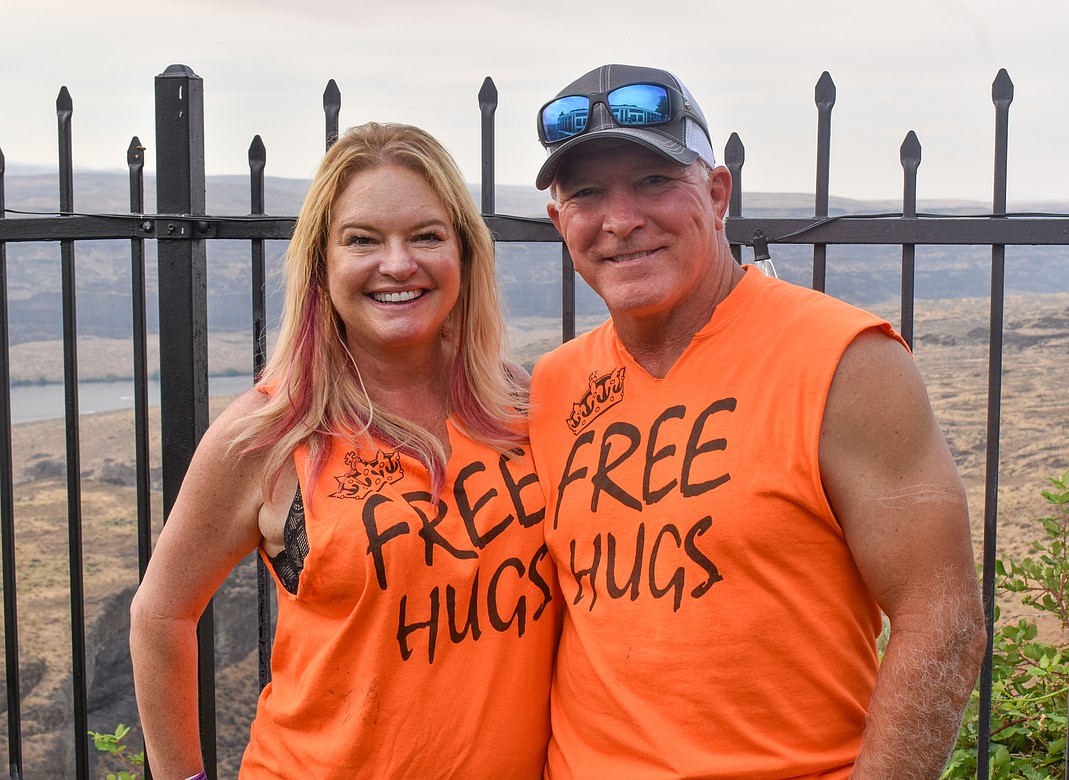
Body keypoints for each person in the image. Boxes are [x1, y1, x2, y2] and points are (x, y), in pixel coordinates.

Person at [527, 64, 985, 779]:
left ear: (716, 196)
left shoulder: (844, 361)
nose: (619, 219)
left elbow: (943, 618)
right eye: (586, 194)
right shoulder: (554, 387)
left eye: (654, 182)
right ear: (561, 222)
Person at [130, 122, 559, 779]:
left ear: (465, 254)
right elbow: (161, 614)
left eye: (426, 236)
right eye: (362, 239)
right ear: (322, 264)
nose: (397, 264)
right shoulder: (272, 431)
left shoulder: (514, 404)